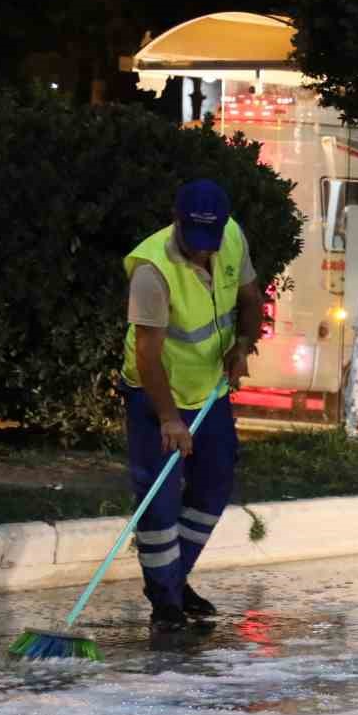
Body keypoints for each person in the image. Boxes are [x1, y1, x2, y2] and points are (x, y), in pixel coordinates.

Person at [121, 179, 262, 632]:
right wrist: (168, 418)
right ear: (176, 219)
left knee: (212, 487)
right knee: (159, 504)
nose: (204, 252)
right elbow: (147, 355)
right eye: (195, 241)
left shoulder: (232, 237)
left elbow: (250, 297)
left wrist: (243, 345)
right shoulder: (152, 270)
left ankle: (175, 581)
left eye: (211, 241)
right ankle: (164, 603)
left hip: (210, 393)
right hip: (154, 393)